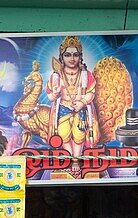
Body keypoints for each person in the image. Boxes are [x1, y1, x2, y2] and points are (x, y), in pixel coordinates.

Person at [45, 35, 100, 177]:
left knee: (79, 134)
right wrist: (56, 93)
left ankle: (76, 161)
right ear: (61, 57)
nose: (72, 58)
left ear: (80, 57)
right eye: (67, 55)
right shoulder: (56, 76)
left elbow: (91, 93)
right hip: (63, 109)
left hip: (80, 109)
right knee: (63, 134)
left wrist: (82, 102)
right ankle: (69, 159)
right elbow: (50, 97)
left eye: (75, 55)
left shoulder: (85, 74)